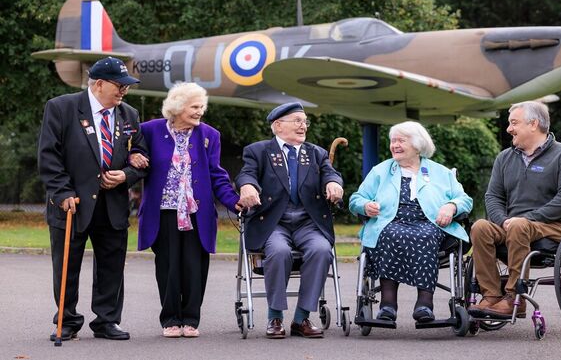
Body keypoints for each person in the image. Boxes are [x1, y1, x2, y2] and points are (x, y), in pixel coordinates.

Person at [38, 56, 147, 341]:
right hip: (73, 203)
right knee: (66, 266)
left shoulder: (129, 115)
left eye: (126, 87)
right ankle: (67, 320)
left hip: (112, 205)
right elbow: (49, 157)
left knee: (111, 266)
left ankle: (107, 320)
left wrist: (126, 175)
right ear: (99, 84)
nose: (124, 92)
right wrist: (62, 193)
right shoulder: (61, 108)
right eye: (119, 86)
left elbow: (143, 156)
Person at [133, 82, 241, 338]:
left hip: (197, 212)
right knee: (168, 266)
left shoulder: (209, 135)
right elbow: (133, 150)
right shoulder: (150, 130)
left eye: (202, 106)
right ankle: (170, 319)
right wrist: (133, 156)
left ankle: (191, 319)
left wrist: (233, 201)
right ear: (178, 106)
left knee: (194, 266)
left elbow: (216, 174)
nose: (199, 111)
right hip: (163, 211)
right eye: (194, 106)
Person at [468, 101, 561, 319]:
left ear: (533, 124)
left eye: (514, 123)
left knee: (520, 225)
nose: (508, 128)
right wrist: (503, 220)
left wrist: (526, 219)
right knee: (480, 227)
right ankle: (492, 296)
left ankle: (515, 298)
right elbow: (493, 196)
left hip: (556, 227)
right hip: (514, 226)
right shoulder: (504, 158)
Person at [236, 102, 344, 339]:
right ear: (277, 126)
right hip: (274, 222)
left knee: (322, 249)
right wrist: (247, 186)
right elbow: (247, 173)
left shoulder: (316, 153)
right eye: (297, 120)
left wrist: (333, 183)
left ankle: (301, 318)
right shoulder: (258, 151)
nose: (303, 126)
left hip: (308, 222)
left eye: (305, 121)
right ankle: (275, 317)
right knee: (279, 252)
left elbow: (330, 173)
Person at [349, 121, 473, 322]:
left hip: (430, 223)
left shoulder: (439, 172)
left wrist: (451, 206)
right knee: (389, 233)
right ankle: (387, 305)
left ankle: (424, 304)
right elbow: (356, 199)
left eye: (401, 140)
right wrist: (365, 206)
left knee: (426, 235)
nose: (394, 145)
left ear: (417, 144)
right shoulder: (381, 171)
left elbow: (465, 200)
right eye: (392, 141)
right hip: (390, 221)